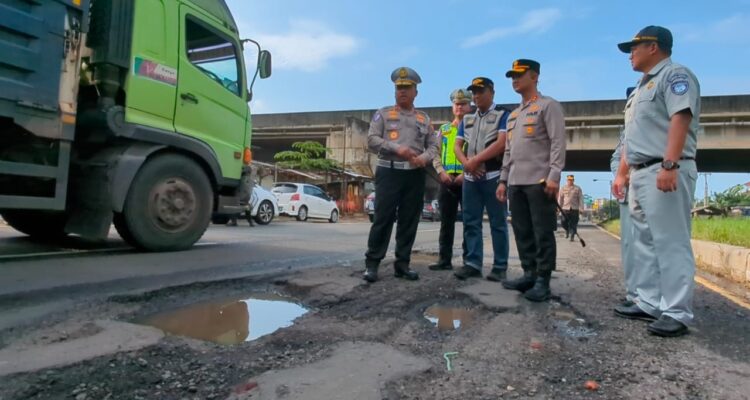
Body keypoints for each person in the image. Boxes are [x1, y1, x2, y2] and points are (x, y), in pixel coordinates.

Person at [612, 26, 700, 337]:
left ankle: (676, 310)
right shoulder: (639, 89)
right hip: (639, 172)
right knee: (644, 242)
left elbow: (681, 117)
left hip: (663, 169)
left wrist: (669, 164)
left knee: (670, 241)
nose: (630, 55)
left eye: (635, 48)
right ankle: (648, 301)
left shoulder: (675, 76)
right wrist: (623, 172)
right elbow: (631, 137)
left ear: (654, 47)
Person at [496, 59, 566, 302]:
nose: (514, 79)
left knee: (542, 231)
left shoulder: (548, 106)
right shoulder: (514, 115)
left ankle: (543, 281)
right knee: (522, 230)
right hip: (516, 182)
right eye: (512, 76)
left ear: (534, 76)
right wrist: (503, 180)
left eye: (519, 74)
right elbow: (508, 150)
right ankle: (528, 274)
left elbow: (557, 142)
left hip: (539, 181)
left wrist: (554, 175)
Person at [363, 67, 439, 283]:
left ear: (416, 92)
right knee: (383, 218)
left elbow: (434, 146)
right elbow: (371, 139)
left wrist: (423, 159)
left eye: (407, 88)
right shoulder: (384, 114)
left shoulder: (424, 119)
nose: (402, 91)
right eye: (399, 88)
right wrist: (398, 149)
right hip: (389, 171)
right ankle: (372, 264)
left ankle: (402, 264)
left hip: (414, 175)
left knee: (409, 220)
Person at [452, 77, 511, 282]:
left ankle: (500, 265)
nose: (476, 96)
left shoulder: (503, 114)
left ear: (492, 92)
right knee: (471, 222)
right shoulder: (468, 118)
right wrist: (467, 164)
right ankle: (473, 263)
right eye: (474, 92)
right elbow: (457, 146)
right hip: (471, 178)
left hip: (493, 176)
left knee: (498, 222)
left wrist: (475, 160)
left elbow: (502, 143)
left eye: (480, 91)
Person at [428, 88, 472, 271]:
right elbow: (435, 153)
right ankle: (444, 260)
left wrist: (466, 174)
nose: (459, 107)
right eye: (456, 104)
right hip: (446, 180)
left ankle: (468, 262)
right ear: (452, 106)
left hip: (467, 179)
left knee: (470, 222)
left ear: (470, 106)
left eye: (463, 104)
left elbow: (477, 153)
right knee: (446, 222)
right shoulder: (444, 130)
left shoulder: (474, 127)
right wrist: (441, 172)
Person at [612, 87, 636, 306]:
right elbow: (616, 157)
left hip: (649, 188)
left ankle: (665, 303)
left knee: (653, 246)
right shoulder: (626, 129)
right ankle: (635, 294)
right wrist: (620, 176)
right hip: (628, 195)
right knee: (630, 245)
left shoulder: (658, 122)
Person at [558, 174, 584, 241]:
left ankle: (572, 237)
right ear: (567, 180)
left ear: (573, 180)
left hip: (574, 209)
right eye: (569, 180)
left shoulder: (577, 188)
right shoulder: (563, 188)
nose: (570, 181)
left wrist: (581, 208)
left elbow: (581, 199)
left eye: (571, 180)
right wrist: (558, 208)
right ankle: (567, 230)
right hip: (565, 208)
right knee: (563, 222)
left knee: (574, 223)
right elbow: (560, 199)